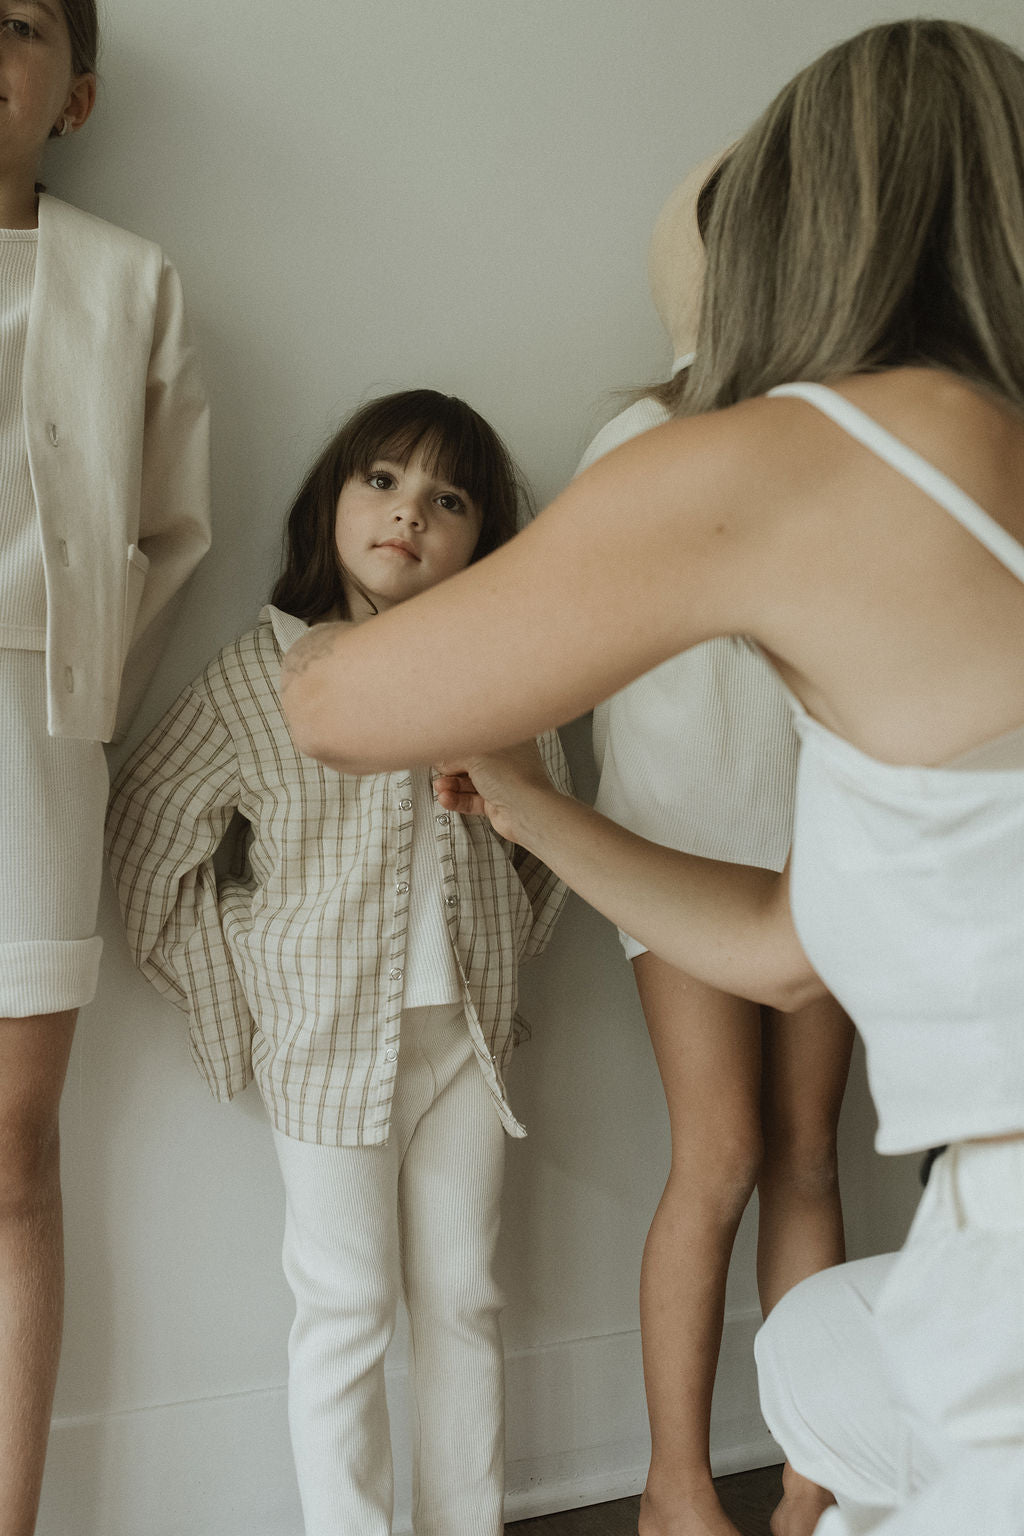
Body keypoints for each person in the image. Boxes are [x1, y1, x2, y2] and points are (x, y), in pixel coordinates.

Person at [277, 19, 1024, 1536]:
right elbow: (786, 950)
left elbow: (342, 706)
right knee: (826, 1344)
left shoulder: (780, 455)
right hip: (976, 1222)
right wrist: (537, 803)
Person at [106, 389, 571, 1536]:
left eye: (446, 499)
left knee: (464, 1296)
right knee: (345, 1304)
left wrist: (502, 980)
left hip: (463, 1045)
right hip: (320, 1051)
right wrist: (243, 1008)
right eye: (383, 481)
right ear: (332, 501)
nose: (409, 514)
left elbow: (552, 844)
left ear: (481, 539)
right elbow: (146, 841)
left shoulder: (502, 678)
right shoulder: (258, 679)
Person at [580, 152, 852, 1536]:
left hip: (822, 831)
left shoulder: (850, 429)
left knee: (810, 1148)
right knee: (725, 1150)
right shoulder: (642, 437)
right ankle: (674, 1480)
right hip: (681, 842)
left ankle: (815, 1474)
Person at [0, 3, 211, 1529]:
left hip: (34, 737)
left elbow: (168, 534)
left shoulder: (126, 279)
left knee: (13, 1153)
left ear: (71, 93)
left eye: (9, 28)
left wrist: (72, 702)